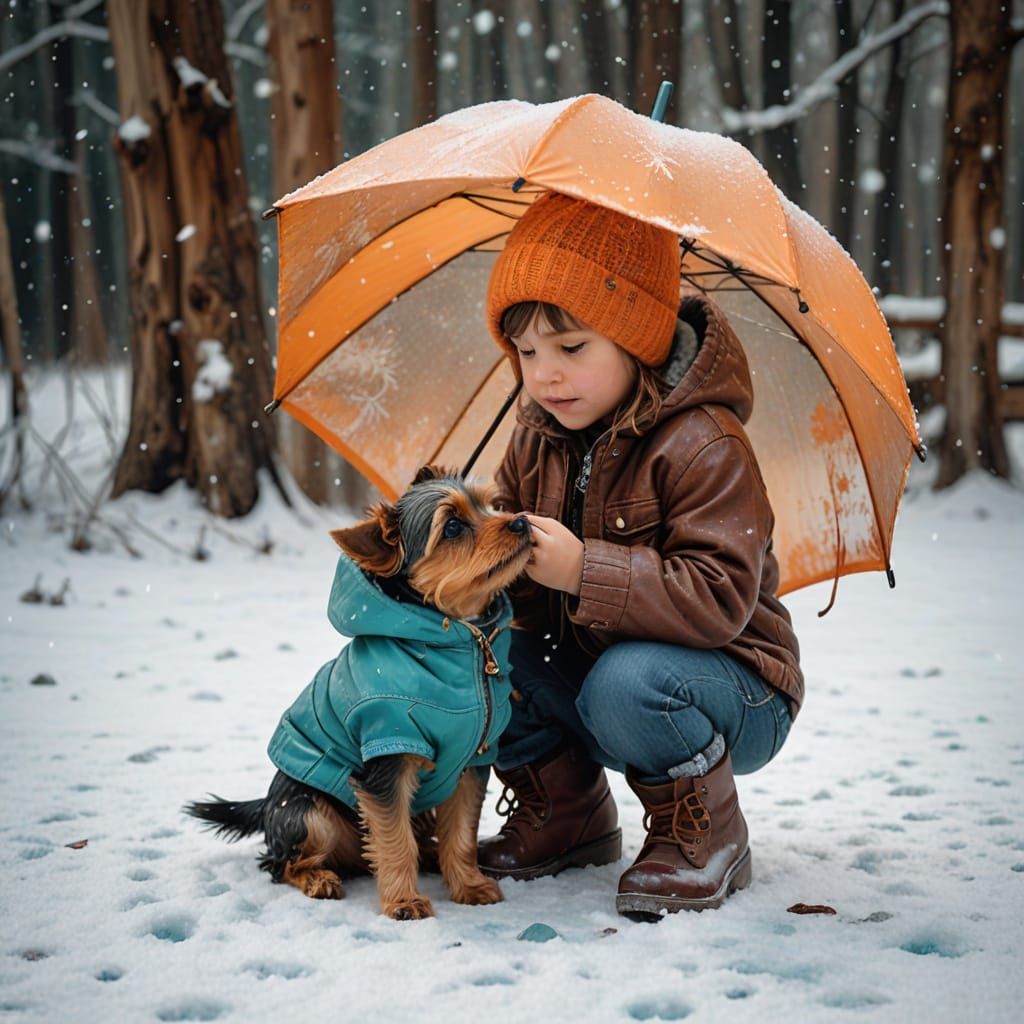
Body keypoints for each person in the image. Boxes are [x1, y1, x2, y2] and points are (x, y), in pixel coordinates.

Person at [476, 191, 803, 916]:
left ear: (640, 339)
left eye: (571, 348)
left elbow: (720, 597)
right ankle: (565, 812)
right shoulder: (536, 438)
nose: (544, 375)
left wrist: (580, 568)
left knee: (627, 682)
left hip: (734, 684)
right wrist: (484, 553)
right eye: (526, 352)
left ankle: (706, 832)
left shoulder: (705, 444)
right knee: (490, 658)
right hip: (596, 669)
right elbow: (512, 596)